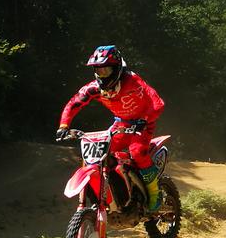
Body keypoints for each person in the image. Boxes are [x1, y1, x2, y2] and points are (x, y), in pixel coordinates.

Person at [57, 45, 166, 210]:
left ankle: (154, 195)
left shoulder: (133, 81)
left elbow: (158, 103)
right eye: (99, 71)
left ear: (116, 69)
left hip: (143, 122)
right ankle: (118, 193)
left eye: (106, 70)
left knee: (137, 152)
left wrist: (145, 119)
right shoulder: (94, 88)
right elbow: (74, 103)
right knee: (102, 154)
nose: (102, 74)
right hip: (121, 123)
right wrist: (64, 126)